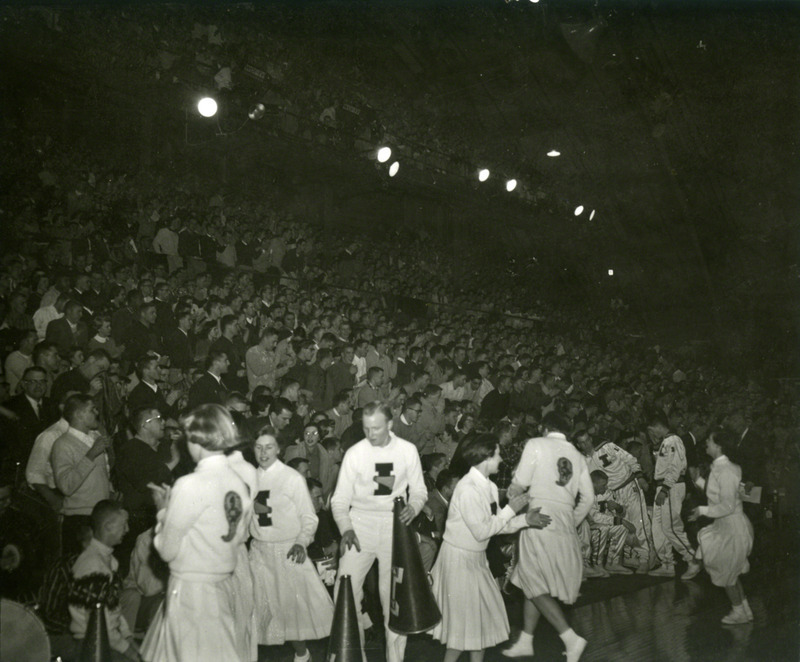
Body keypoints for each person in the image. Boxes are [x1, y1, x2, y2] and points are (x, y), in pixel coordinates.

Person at [140, 404, 254, 662]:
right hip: (222, 584)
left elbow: (167, 551)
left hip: (190, 589)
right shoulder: (237, 482)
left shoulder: (190, 484)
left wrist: (163, 512)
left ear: (196, 439)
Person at [431, 434, 550, 662]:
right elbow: (482, 531)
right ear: (485, 458)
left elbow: (497, 526)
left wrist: (525, 520)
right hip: (457, 561)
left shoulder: (490, 487)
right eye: (496, 454)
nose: (500, 459)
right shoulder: (466, 489)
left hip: (476, 560)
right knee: (462, 630)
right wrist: (512, 510)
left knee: (480, 626)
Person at [331, 401, 427, 662]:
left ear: (390, 425)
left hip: (394, 527)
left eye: (376, 428)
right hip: (359, 525)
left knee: (394, 600)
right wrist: (346, 528)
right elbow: (339, 499)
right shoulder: (355, 453)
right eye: (366, 428)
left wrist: (414, 506)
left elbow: (419, 491)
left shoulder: (407, 451)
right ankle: (352, 656)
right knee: (345, 590)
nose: (370, 434)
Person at [503, 411, 594, 662]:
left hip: (539, 517)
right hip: (564, 521)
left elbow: (520, 482)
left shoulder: (535, 444)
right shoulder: (577, 455)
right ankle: (526, 640)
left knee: (533, 581)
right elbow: (589, 498)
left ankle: (570, 638)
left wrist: (511, 493)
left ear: (544, 428)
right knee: (530, 578)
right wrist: (570, 519)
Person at [249, 427, 334, 662]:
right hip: (259, 551)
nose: (263, 452)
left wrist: (301, 542)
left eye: (269, 447)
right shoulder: (247, 477)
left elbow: (309, 517)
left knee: (294, 613)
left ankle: (302, 655)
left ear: (278, 449)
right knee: (257, 611)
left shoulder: (292, 478)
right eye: (258, 447)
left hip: (287, 551)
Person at [687, 428, 755, 625]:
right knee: (731, 572)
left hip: (731, 527)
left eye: (708, 439)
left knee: (727, 573)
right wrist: (696, 480)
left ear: (718, 445)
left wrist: (701, 510)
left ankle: (739, 612)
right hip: (724, 525)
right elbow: (715, 493)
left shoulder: (726, 470)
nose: (705, 443)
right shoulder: (719, 467)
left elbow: (726, 505)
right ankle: (744, 610)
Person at [67, 500, 139, 661]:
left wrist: (128, 638)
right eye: (124, 524)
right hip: (91, 645)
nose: (127, 530)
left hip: (107, 639)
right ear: (108, 526)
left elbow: (113, 610)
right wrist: (129, 651)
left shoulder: (108, 560)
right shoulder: (92, 564)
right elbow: (100, 624)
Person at [51, 394, 113, 556]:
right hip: (80, 520)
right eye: (92, 409)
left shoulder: (95, 437)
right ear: (78, 414)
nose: (96, 413)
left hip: (100, 516)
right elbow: (66, 486)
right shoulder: (62, 444)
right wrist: (91, 454)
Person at [646, 412, 700, 579]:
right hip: (665, 485)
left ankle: (693, 559)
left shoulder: (673, 440)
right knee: (659, 526)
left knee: (671, 527)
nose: (651, 433)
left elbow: (675, 467)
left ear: (657, 426)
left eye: (651, 429)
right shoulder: (665, 442)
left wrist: (665, 489)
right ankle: (667, 563)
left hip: (671, 486)